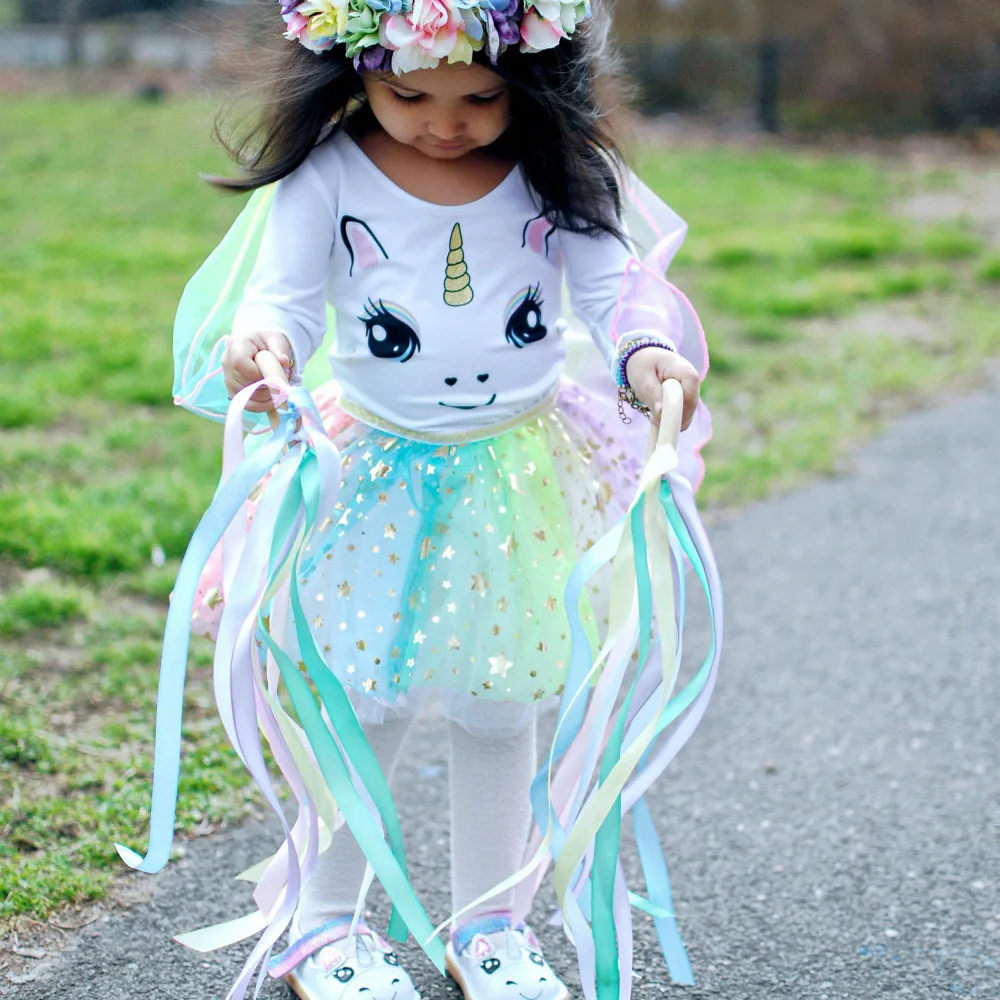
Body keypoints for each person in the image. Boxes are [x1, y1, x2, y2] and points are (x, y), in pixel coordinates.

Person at [163, 1, 715, 998]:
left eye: (481, 95)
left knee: (499, 701)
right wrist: (266, 344)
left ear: (531, 82)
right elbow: (282, 296)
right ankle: (322, 927)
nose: (446, 120)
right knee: (361, 702)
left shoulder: (556, 173)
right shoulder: (330, 176)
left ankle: (489, 925)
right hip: (373, 471)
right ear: (357, 70)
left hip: (517, 475)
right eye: (411, 93)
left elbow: (611, 289)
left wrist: (645, 353)